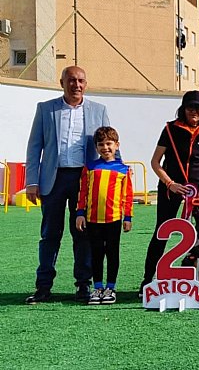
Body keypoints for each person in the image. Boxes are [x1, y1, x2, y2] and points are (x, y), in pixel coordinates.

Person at [25, 66, 111, 304]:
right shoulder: (45, 109)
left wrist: (117, 171)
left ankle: (83, 285)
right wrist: (32, 181)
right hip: (53, 179)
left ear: (86, 83)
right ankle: (43, 286)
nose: (77, 85)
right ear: (61, 82)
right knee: (50, 234)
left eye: (81, 80)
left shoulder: (99, 110)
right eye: (71, 80)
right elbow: (34, 147)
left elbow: (109, 144)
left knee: (82, 233)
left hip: (85, 180)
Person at [140, 90, 199, 294]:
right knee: (161, 232)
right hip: (172, 188)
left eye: (198, 108)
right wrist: (170, 183)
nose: (194, 111)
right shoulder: (170, 129)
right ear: (183, 109)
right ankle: (148, 279)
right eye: (190, 107)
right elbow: (155, 162)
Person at [76, 127, 133, 305]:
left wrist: (128, 217)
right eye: (101, 144)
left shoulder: (123, 170)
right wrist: (80, 213)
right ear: (96, 147)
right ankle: (98, 287)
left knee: (112, 252)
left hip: (114, 218)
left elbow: (127, 196)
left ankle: (111, 287)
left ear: (117, 145)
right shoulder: (90, 167)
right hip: (93, 219)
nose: (105, 147)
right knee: (96, 253)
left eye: (109, 144)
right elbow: (82, 192)